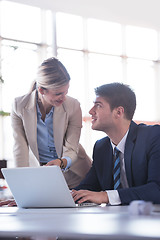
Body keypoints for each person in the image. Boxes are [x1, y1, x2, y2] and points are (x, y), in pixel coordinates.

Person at [72, 82, 160, 205]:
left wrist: (106, 196)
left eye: (98, 105)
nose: (91, 111)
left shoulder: (154, 137)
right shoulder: (101, 147)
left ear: (119, 112)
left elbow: (157, 189)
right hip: (117, 219)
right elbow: (88, 188)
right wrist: (65, 195)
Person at [11, 57, 91, 189]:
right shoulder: (19, 106)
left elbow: (72, 147)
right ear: (42, 90)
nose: (64, 98)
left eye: (66, 91)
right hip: (43, 177)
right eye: (58, 93)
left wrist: (61, 162)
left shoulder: (73, 106)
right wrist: (21, 187)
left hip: (75, 174)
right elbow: (20, 150)